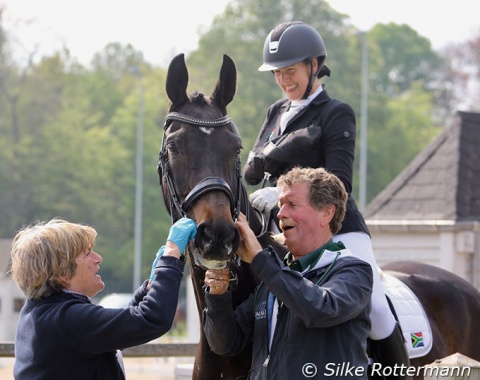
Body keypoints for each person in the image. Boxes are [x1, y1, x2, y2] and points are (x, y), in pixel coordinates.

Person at [243, 21, 409, 376]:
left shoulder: (336, 112)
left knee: (377, 310)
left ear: (314, 65)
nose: (284, 81)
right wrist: (282, 150)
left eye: (291, 71)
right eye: (277, 74)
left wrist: (277, 190)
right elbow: (251, 172)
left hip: (338, 228)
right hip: (286, 230)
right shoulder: (276, 113)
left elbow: (341, 183)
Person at [203, 167, 373, 380]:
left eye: (292, 204)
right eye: (281, 205)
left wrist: (259, 259)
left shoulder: (354, 270)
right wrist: (218, 295)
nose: (281, 213)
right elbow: (225, 344)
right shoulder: (271, 282)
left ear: (326, 213)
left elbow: (320, 309)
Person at [9, 217, 197, 380]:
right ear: (62, 274)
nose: (98, 258)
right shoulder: (67, 320)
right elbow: (151, 319)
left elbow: (116, 328)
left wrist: (151, 288)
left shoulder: (41, 313)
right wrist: (171, 255)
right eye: (87, 253)